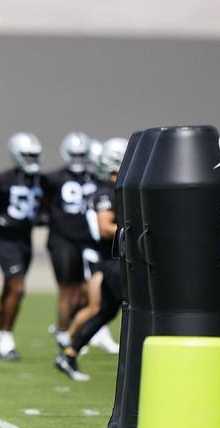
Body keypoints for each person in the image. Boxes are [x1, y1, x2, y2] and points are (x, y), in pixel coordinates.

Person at [55, 138, 127, 381]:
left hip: (110, 259)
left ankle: (69, 351)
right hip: (108, 259)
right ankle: (67, 343)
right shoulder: (108, 191)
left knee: (103, 311)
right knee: (120, 309)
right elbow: (106, 228)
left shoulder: (114, 188)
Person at [0, 132, 44, 362]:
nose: (32, 160)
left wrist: (44, 216)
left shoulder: (38, 179)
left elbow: (46, 202)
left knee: (11, 288)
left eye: (34, 155)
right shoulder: (2, 179)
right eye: (27, 155)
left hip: (25, 241)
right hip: (5, 241)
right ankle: (6, 338)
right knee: (18, 287)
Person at [41, 131, 98, 342]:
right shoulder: (53, 178)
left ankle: (70, 328)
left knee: (85, 291)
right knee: (67, 289)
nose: (77, 160)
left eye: (81, 155)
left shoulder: (93, 179)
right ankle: (63, 333)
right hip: (62, 240)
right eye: (74, 155)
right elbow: (42, 205)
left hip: (87, 241)